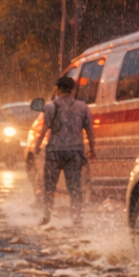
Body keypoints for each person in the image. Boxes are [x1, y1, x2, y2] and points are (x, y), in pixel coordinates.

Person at [33, 74, 95, 226]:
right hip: (75, 153)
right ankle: (76, 218)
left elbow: (45, 128)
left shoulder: (50, 106)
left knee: (49, 187)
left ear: (58, 89)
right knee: (75, 188)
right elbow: (89, 130)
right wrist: (93, 149)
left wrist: (37, 145)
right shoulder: (83, 107)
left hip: (54, 151)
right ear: (72, 90)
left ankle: (46, 216)